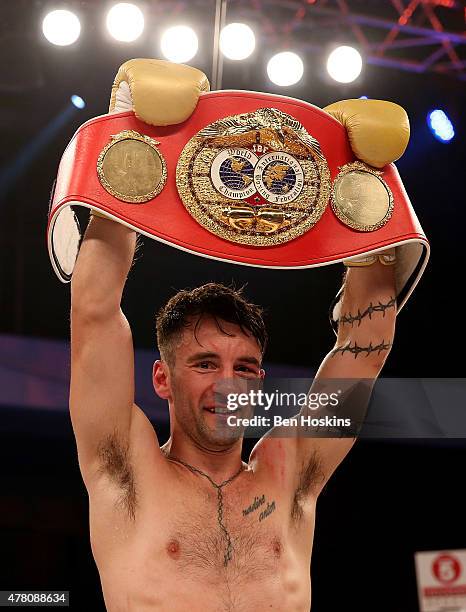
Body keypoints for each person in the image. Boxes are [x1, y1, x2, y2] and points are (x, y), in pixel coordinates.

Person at [70, 210, 396, 610]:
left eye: (242, 368)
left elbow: (364, 350)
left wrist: (368, 210)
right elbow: (94, 311)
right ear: (162, 379)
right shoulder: (127, 472)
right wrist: (123, 184)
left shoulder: (288, 471)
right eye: (205, 364)